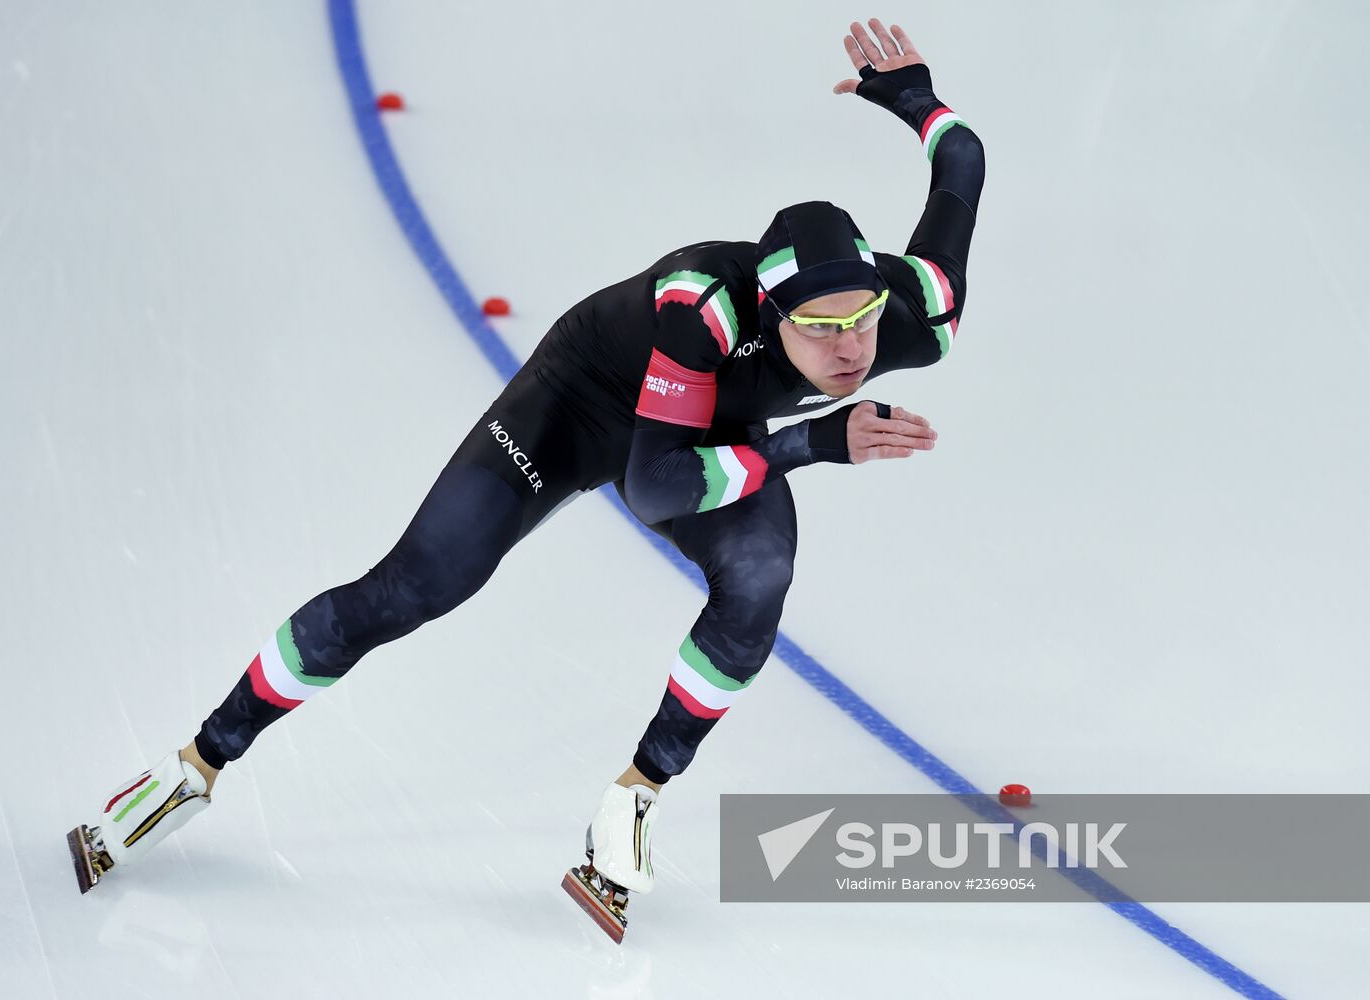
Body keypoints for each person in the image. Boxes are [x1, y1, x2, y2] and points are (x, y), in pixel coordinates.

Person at [69, 17, 985, 938]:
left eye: (862, 317)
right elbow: (656, 487)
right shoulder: (702, 304)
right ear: (771, 309)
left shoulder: (914, 316)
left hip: (712, 422)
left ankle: (636, 793)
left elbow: (964, 163)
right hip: (578, 407)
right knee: (415, 587)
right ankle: (197, 764)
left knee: (759, 577)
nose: (849, 348)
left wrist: (915, 101)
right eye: (819, 330)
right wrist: (812, 445)